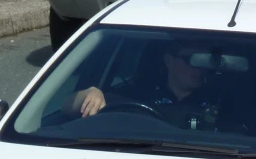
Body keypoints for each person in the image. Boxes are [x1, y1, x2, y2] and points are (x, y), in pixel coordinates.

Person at [65, 40, 223, 130]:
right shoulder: (138, 95)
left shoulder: (220, 101)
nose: (198, 67)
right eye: (190, 60)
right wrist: (90, 94)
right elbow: (66, 108)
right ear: (169, 61)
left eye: (202, 61)